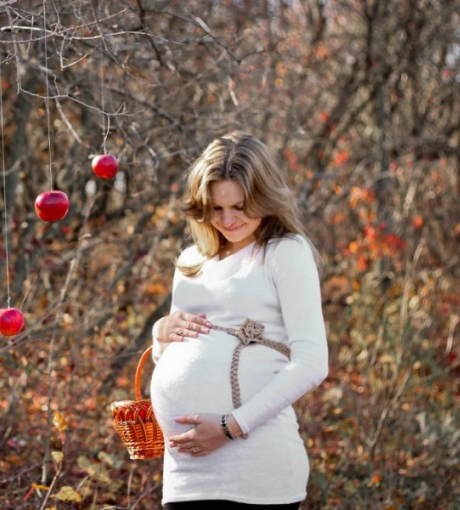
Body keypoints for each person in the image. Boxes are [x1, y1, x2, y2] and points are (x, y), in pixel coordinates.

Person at [149, 131, 329, 509]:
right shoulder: (189, 262)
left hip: (254, 468)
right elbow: (168, 355)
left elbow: (312, 363)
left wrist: (231, 427)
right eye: (216, 208)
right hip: (185, 474)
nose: (228, 220)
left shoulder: (283, 252)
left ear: (264, 197)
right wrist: (159, 334)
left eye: (240, 206)